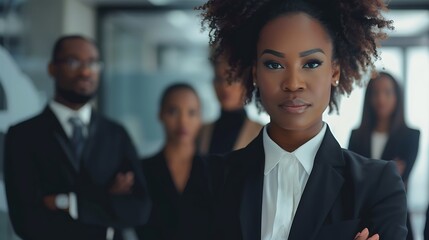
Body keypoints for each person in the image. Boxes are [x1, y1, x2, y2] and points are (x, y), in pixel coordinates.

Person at [198, 0, 408, 239]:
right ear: (255, 73)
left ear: (335, 72)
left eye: (311, 63)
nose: (293, 83)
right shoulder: (211, 180)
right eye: (274, 64)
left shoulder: (377, 185)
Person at [4, 35, 151, 240]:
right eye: (73, 62)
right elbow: (26, 222)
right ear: (52, 68)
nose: (85, 71)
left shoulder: (116, 134)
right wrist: (107, 199)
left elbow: (139, 210)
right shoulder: (23, 136)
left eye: (92, 63)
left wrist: (67, 203)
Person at [349, 72, 420, 240]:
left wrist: (366, 177)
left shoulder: (411, 136)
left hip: (396, 218)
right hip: (361, 223)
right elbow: (351, 179)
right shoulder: (357, 135)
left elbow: (401, 180)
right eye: (375, 93)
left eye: (387, 92)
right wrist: (389, 171)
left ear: (397, 97)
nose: (381, 99)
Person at [136, 83, 211, 240]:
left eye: (191, 113)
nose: (183, 121)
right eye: (173, 111)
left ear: (200, 119)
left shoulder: (215, 171)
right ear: (161, 115)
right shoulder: (142, 170)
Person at [199, 53, 263, 155]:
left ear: (247, 82)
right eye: (219, 79)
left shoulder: (263, 134)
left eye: (233, 79)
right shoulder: (200, 132)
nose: (225, 87)